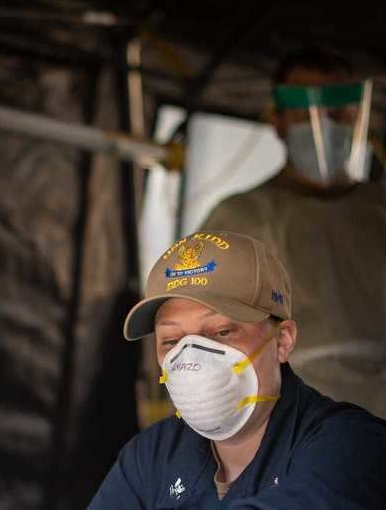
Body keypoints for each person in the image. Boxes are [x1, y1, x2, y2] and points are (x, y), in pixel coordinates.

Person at [88, 230, 386, 509]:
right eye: (172, 341)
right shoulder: (151, 456)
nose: (191, 359)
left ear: (282, 340)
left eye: (221, 332)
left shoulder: (351, 446)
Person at [201, 47, 386, 419]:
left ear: (357, 116)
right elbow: (203, 334)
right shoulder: (240, 220)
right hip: (293, 416)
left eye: (336, 110)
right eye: (306, 112)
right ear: (279, 121)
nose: (323, 124)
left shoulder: (378, 209)